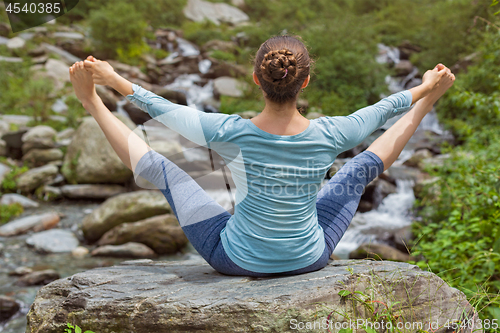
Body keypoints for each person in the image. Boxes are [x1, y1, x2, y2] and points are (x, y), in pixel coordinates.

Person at [69, 35, 455, 277]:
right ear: (305, 81)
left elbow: (160, 110)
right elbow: (387, 107)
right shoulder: (332, 132)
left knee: (162, 168)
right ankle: (425, 110)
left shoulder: (228, 131)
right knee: (363, 166)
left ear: (257, 79)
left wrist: (109, 83)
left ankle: (91, 105)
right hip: (310, 256)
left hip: (236, 260)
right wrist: (425, 94)